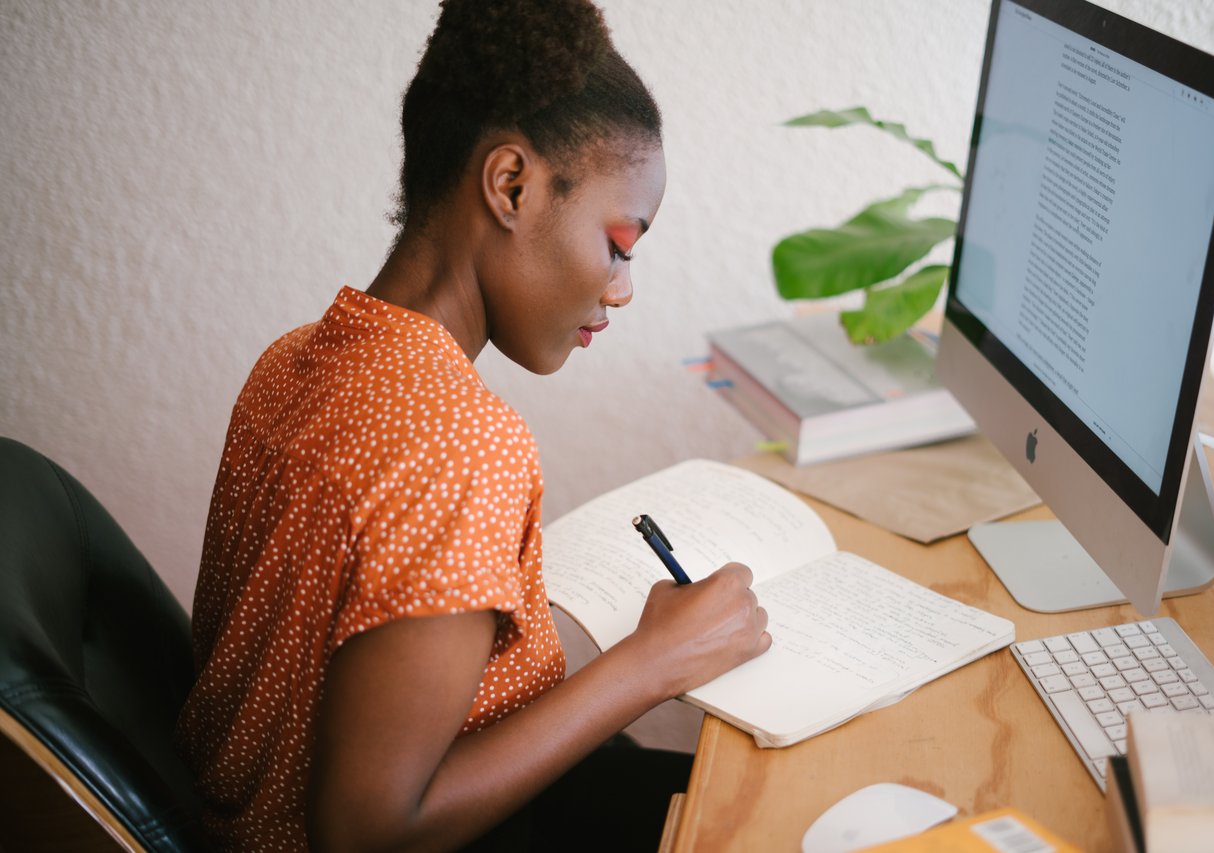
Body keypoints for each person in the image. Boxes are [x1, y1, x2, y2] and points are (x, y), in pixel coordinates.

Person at [174, 1, 772, 850]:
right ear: (511, 186)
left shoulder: (296, 358)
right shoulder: (460, 443)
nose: (621, 287)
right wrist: (651, 664)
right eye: (619, 243)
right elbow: (370, 829)